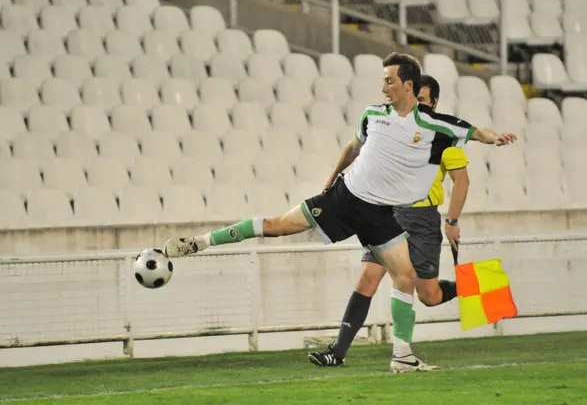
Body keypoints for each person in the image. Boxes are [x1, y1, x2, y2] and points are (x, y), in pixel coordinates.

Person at [162, 53, 516, 373]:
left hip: (399, 217)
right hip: (347, 200)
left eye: (389, 80)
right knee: (278, 226)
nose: (383, 87)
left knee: (418, 287)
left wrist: (495, 139)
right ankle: (200, 242)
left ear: (408, 85)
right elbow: (355, 145)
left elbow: (474, 134)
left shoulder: (436, 128)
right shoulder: (373, 114)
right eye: (382, 80)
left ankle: (412, 347)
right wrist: (331, 180)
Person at [308, 74, 509, 368]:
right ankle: (337, 352)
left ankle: (483, 285)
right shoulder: (396, 131)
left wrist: (451, 220)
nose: (417, 107)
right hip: (387, 213)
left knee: (429, 295)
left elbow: (462, 182)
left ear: (434, 103)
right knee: (367, 279)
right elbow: (358, 149)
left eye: (424, 101)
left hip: (422, 220)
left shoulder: (443, 138)